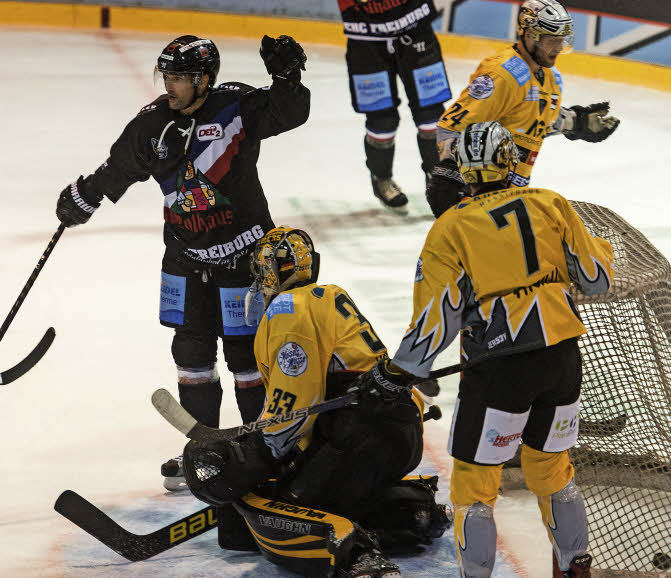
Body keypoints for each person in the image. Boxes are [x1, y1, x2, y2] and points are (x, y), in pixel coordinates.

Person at [355, 121, 614, 577]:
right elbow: (596, 277)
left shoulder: (451, 227)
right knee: (552, 468)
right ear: (508, 160)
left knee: (475, 485)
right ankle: (576, 568)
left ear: (463, 171)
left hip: (500, 370)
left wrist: (400, 372)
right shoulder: (550, 203)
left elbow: (436, 319)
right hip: (562, 358)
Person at [54, 34, 310, 492]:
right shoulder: (152, 124)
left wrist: (287, 78)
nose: (169, 86)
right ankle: (203, 448)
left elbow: (288, 113)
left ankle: (259, 446)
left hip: (244, 261)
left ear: (204, 80)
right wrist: (85, 196)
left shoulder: (235, 106)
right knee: (191, 356)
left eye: (179, 78)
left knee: (247, 357)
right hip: (186, 260)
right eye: (166, 77)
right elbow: (119, 167)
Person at [180, 226, 451, 577]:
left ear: (270, 270)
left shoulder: (287, 309)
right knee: (322, 488)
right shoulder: (327, 295)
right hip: (395, 433)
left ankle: (359, 557)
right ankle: (416, 514)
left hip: (360, 436)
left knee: (290, 510)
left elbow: (296, 397)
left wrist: (261, 452)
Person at [426, 0, 620, 217]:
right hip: (477, 197)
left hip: (510, 198)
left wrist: (576, 123)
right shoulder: (501, 75)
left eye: (562, 39)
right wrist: (449, 174)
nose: (558, 48)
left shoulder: (551, 77)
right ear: (529, 35)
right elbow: (451, 127)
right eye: (551, 40)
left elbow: (531, 122)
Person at [339, 0, 452, 214]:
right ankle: (381, 178)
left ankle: (440, 177)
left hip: (415, 28)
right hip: (365, 36)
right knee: (382, 119)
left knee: (431, 114)